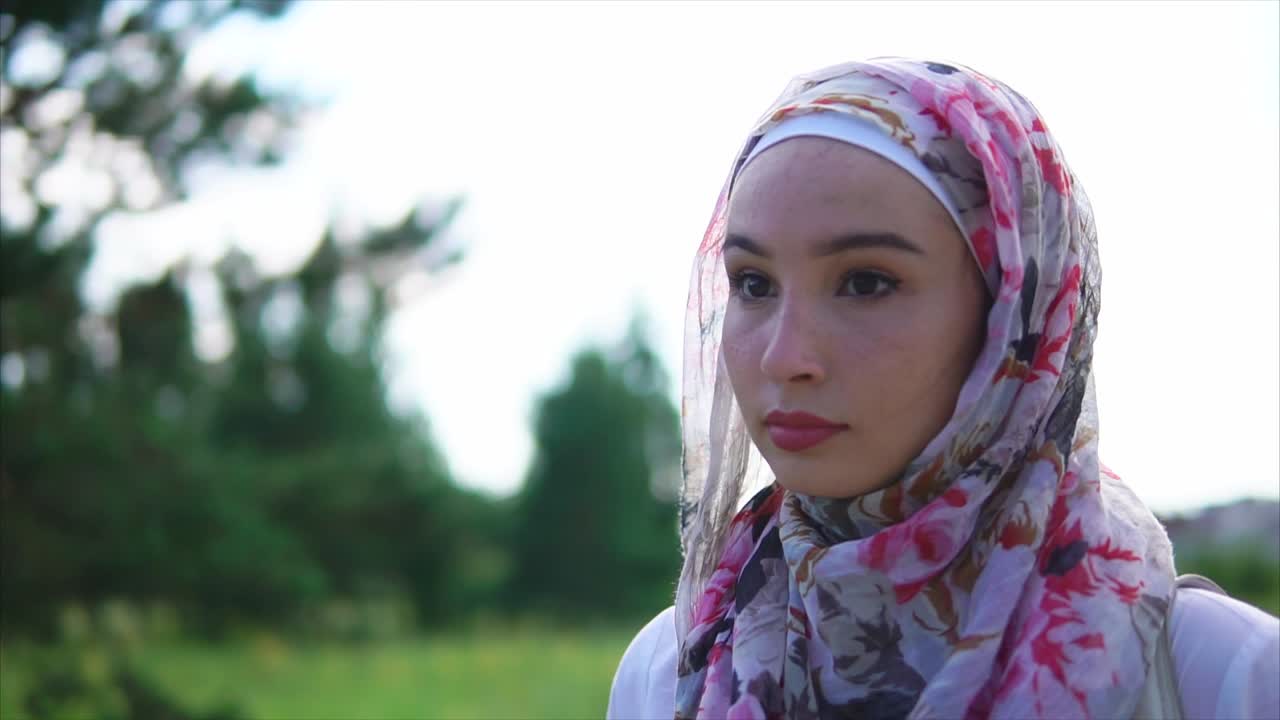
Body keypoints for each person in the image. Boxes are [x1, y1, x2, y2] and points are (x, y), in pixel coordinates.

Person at [607, 58, 1279, 720]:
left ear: (1013, 320)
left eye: (866, 282)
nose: (785, 357)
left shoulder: (1224, 677)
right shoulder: (669, 674)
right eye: (753, 283)